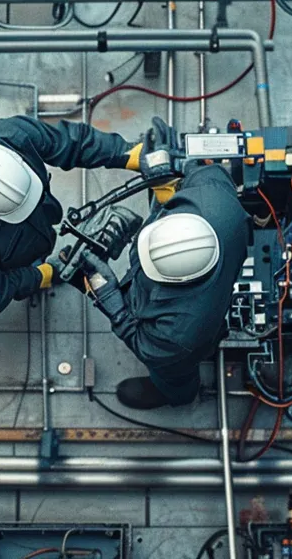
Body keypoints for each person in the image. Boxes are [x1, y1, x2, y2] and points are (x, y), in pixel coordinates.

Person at [0, 116, 143, 356]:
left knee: (33, 253)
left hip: (30, 237)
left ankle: (34, 265)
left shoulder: (9, 136)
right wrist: (41, 276)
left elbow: (70, 142)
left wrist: (124, 153)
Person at [74, 164, 249, 409]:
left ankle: (177, 394)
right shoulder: (214, 196)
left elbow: (144, 346)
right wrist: (167, 176)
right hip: (217, 281)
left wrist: (111, 300)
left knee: (175, 369)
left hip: (199, 331)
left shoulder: (177, 334)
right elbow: (199, 169)